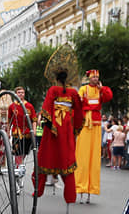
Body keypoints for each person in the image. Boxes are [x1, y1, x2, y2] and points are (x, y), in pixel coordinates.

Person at [33, 46, 82, 205]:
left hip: (53, 130)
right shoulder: (74, 93)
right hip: (66, 129)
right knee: (66, 160)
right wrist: (76, 129)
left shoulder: (53, 89)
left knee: (45, 158)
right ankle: (70, 197)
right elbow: (79, 112)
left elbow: (47, 108)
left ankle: (38, 191)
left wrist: (50, 125)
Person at [74, 69, 112, 203]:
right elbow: (77, 103)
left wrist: (103, 89)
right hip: (85, 123)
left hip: (95, 124)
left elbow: (108, 97)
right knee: (82, 156)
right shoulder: (83, 89)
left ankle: (91, 189)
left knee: (94, 157)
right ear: (89, 78)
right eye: (93, 77)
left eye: (97, 77)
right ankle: (80, 187)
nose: (95, 79)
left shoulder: (101, 90)